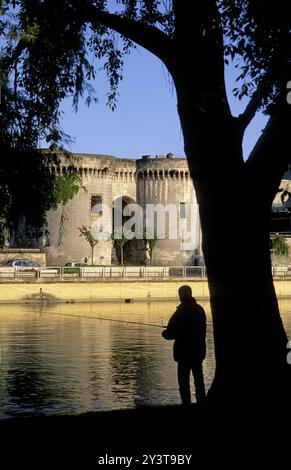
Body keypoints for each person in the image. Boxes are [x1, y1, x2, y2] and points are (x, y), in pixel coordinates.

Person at [162, 285, 206, 406]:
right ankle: (201, 403)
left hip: (184, 353)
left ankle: (186, 404)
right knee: (199, 381)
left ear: (181, 295)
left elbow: (170, 333)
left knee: (184, 383)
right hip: (198, 352)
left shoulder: (180, 311)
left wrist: (164, 332)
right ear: (190, 294)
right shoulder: (200, 310)